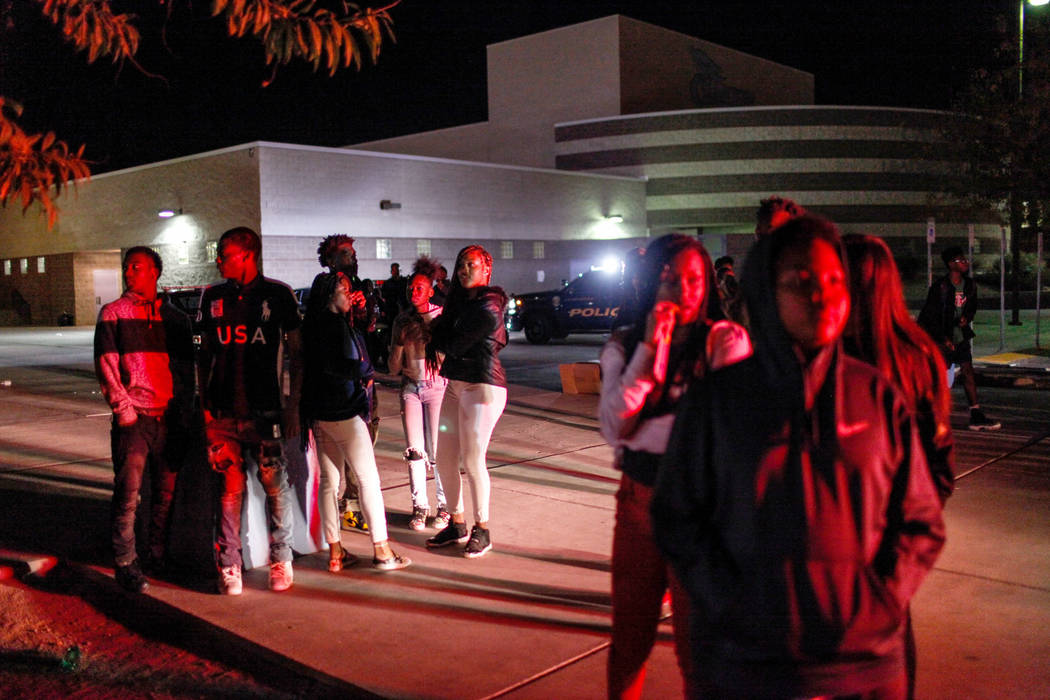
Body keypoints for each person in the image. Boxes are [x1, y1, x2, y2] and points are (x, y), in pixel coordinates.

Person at [653, 216, 946, 699]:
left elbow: (921, 521)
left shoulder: (876, 395)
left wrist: (878, 602)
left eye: (834, 280)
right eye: (799, 281)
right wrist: (730, 603)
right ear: (767, 291)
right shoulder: (718, 399)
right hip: (745, 665)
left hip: (865, 665)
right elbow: (676, 516)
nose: (821, 295)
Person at [599, 234, 751, 699]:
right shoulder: (625, 344)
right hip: (639, 499)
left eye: (692, 279)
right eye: (668, 278)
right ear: (650, 282)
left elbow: (729, 427)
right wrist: (653, 348)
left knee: (697, 644)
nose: (681, 290)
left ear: (706, 284)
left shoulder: (726, 340)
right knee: (630, 637)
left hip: (701, 509)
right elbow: (614, 426)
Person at [843, 233, 955, 699]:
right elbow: (939, 464)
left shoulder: (837, 357)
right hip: (890, 535)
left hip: (842, 532)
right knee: (889, 646)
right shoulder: (920, 352)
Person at [197, 227, 303, 595]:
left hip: (267, 412)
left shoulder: (278, 294)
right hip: (222, 415)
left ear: (247, 253)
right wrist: (205, 407)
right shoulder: (212, 297)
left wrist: (293, 406)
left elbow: (298, 354)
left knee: (276, 486)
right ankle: (230, 565)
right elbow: (202, 355)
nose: (218, 259)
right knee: (228, 490)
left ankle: (282, 558)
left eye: (224, 253)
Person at [94, 247, 194, 593]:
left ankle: (156, 555)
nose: (128, 271)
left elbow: (185, 372)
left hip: (167, 419)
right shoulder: (113, 314)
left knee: (165, 494)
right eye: (127, 266)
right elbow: (107, 366)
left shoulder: (174, 319)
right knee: (128, 494)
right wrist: (125, 412)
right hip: (134, 420)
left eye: (136, 266)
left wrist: (182, 412)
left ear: (154, 272)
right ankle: (125, 561)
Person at [301, 271, 411, 572]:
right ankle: (383, 550)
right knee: (368, 481)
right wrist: (363, 370)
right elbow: (340, 364)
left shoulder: (313, 325)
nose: (350, 295)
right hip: (345, 412)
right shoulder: (332, 326)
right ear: (329, 295)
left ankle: (336, 553)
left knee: (329, 483)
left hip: (322, 414)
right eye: (345, 290)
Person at [425, 245, 508, 558]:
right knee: (443, 456)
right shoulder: (459, 304)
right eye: (460, 264)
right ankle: (457, 523)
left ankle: (482, 528)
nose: (464, 270)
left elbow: (456, 341)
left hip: (483, 387)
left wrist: (439, 336)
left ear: (487, 268)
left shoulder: (491, 303)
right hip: (456, 386)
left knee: (473, 459)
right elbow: (445, 338)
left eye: (471, 264)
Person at [315, 234, 374, 532]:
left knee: (364, 444)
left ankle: (353, 503)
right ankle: (346, 506)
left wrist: (363, 309)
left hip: (362, 379)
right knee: (337, 465)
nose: (349, 257)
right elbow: (316, 324)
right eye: (342, 253)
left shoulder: (361, 285)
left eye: (351, 252)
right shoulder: (322, 286)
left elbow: (370, 329)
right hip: (337, 386)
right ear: (329, 259)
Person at [388, 256, 450, 531]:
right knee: (415, 451)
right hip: (411, 389)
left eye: (419, 288)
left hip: (437, 388)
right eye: (411, 288)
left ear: (431, 290)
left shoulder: (440, 317)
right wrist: (400, 343)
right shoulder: (402, 321)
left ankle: (444, 506)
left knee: (437, 450)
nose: (414, 293)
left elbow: (450, 358)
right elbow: (392, 368)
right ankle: (419, 507)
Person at [917, 246, 1001, 431]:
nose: (965, 263)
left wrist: (966, 318)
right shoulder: (941, 287)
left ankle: (976, 414)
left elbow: (972, 307)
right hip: (941, 338)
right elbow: (929, 316)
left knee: (968, 371)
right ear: (950, 264)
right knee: (943, 379)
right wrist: (942, 338)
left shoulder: (970, 285)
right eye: (961, 260)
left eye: (965, 260)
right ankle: (930, 415)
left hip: (959, 336)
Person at [713, 254, 746, 324]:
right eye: (723, 271)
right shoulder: (712, 293)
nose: (727, 275)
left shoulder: (737, 293)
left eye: (729, 270)